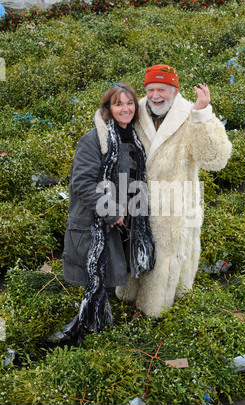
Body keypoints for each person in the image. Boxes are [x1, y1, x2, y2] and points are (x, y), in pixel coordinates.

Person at [116, 64, 232, 318]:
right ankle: (130, 299)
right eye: (151, 89)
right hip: (137, 198)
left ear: (174, 90)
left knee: (169, 256)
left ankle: (156, 311)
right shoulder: (134, 111)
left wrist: (202, 115)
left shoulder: (191, 114)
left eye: (162, 89)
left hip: (177, 203)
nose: (156, 95)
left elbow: (216, 159)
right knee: (135, 247)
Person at [60, 83, 155, 343]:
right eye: (118, 104)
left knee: (110, 278)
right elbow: (82, 183)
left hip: (124, 221)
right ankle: (78, 332)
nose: (125, 108)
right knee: (97, 280)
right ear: (108, 108)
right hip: (98, 221)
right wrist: (112, 212)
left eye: (130, 103)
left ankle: (101, 330)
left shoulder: (134, 138)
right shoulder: (95, 139)